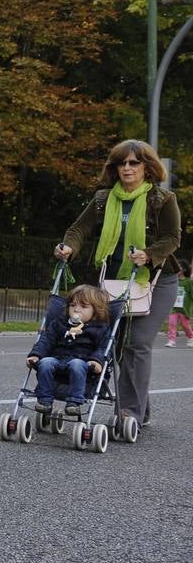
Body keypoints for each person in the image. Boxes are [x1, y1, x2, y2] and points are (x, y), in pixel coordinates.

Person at [56, 139, 181, 433]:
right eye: (121, 163)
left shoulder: (162, 199)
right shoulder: (103, 199)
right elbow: (79, 229)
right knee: (118, 345)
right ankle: (141, 409)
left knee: (136, 344)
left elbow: (172, 238)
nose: (127, 167)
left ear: (147, 167)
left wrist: (149, 253)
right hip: (113, 282)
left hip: (156, 281)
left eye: (134, 162)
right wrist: (67, 247)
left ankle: (129, 413)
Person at [27, 284, 109, 415]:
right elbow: (47, 339)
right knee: (45, 362)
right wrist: (36, 355)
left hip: (83, 363)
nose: (76, 310)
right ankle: (44, 401)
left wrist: (97, 361)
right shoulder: (60, 323)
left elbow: (103, 348)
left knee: (76, 364)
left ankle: (74, 402)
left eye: (83, 306)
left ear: (95, 311)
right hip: (58, 359)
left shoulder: (99, 328)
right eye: (73, 305)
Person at [164, 258, 193, 348]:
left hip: (184, 308)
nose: (177, 268)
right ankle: (171, 340)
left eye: (179, 266)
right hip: (173, 308)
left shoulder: (188, 282)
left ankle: (191, 337)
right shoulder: (173, 281)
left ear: (184, 269)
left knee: (185, 325)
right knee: (172, 323)